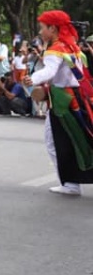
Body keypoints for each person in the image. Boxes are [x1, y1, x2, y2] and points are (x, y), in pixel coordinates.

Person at [22, 10, 93, 195]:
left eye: (42, 28)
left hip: (63, 103)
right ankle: (70, 182)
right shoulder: (72, 46)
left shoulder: (55, 48)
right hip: (77, 99)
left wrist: (32, 78)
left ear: (52, 29)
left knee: (56, 141)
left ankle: (69, 183)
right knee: (77, 139)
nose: (40, 32)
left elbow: (50, 71)